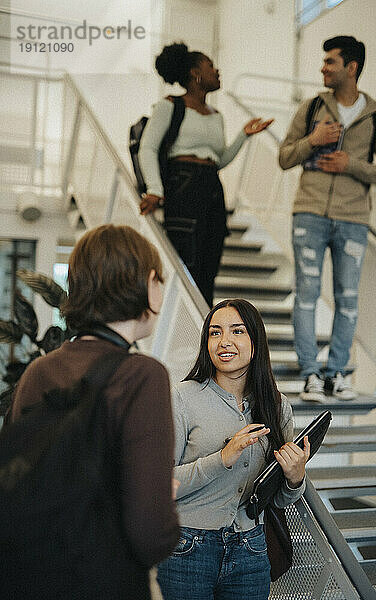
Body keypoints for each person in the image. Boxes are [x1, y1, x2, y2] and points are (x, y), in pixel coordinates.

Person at [9, 224, 180, 599]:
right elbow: (152, 536)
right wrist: (162, 499)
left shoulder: (39, 371)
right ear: (147, 283)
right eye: (160, 280)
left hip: (34, 579)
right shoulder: (142, 376)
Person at [157, 298, 310, 600]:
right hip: (187, 548)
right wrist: (221, 459)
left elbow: (276, 497)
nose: (224, 341)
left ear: (256, 342)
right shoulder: (183, 398)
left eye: (237, 331)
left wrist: (294, 478)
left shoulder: (277, 407)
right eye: (215, 333)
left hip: (251, 548)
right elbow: (162, 484)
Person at [279, 36, 376, 402]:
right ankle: (311, 375)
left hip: (353, 220)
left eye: (330, 61)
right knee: (307, 296)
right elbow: (285, 157)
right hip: (310, 213)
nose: (323, 68)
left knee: (347, 300)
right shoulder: (313, 106)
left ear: (352, 67)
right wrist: (313, 140)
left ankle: (338, 374)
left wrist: (352, 165)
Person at [139, 42, 273, 307]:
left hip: (212, 186)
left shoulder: (216, 115)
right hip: (182, 183)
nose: (217, 71)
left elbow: (219, 159)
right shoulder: (171, 105)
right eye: (210, 65)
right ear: (195, 73)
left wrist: (243, 136)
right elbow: (148, 147)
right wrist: (155, 189)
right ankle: (177, 325)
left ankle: (201, 329)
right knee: (184, 263)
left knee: (208, 269)